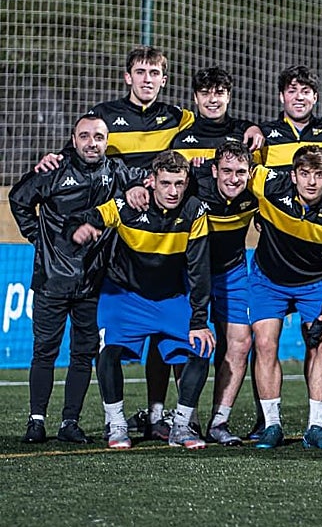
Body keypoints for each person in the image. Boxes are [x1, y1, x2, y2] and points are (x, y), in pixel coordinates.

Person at [10, 113, 145, 443]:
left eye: (98, 137)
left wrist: (140, 186)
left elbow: (151, 180)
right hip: (52, 280)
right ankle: (36, 421)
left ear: (107, 141)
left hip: (92, 282)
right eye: (84, 136)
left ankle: (69, 422)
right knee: (44, 352)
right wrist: (39, 238)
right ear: (73, 140)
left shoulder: (116, 171)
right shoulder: (54, 169)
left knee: (83, 354)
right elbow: (18, 199)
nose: (91, 143)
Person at [68, 150, 214, 450]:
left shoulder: (195, 210)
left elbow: (199, 269)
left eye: (179, 184)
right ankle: (117, 424)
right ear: (152, 181)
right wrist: (81, 229)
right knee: (107, 351)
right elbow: (88, 216)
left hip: (170, 296)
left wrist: (199, 320)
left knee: (201, 348)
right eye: (166, 183)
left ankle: (181, 426)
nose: (173, 191)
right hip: (125, 295)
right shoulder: (128, 205)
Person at [246, 146, 322, 450]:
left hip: (315, 282)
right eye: (305, 174)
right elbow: (236, 168)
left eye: (319, 175)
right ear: (293, 175)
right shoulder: (269, 185)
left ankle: (316, 427)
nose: (311, 182)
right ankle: (271, 425)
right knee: (264, 341)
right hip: (268, 280)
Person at [192, 142, 258, 446]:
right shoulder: (194, 187)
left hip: (233, 272)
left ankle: (219, 421)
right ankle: (187, 419)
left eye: (241, 172)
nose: (233, 179)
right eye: (227, 171)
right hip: (192, 273)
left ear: (250, 173)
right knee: (192, 342)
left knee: (242, 342)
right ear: (214, 170)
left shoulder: (256, 193)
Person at [170, 67, 264, 163]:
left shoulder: (247, 138)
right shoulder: (179, 141)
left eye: (219, 93)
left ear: (228, 97)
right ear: (196, 97)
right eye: (205, 93)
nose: (213, 100)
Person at [257, 66, 322, 169]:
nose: (299, 97)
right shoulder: (262, 133)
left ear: (315, 98)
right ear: (282, 97)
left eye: (305, 92)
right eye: (292, 91)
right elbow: (252, 171)